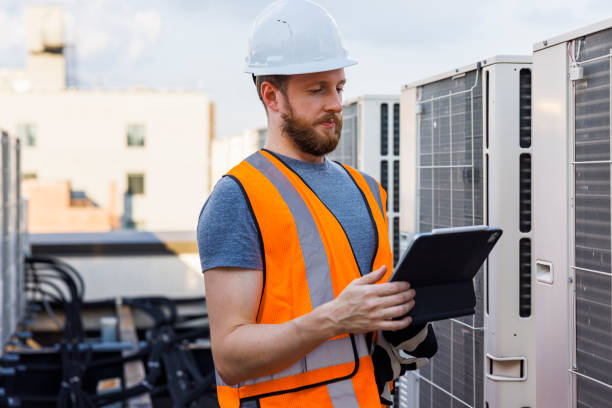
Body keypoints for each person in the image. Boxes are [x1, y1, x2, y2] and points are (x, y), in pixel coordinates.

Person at [197, 1, 436, 406]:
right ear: (271, 96)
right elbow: (230, 357)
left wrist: (406, 314)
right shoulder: (238, 198)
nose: (336, 103)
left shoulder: (366, 189)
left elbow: (366, 327)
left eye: (339, 87)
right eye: (317, 90)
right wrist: (334, 318)